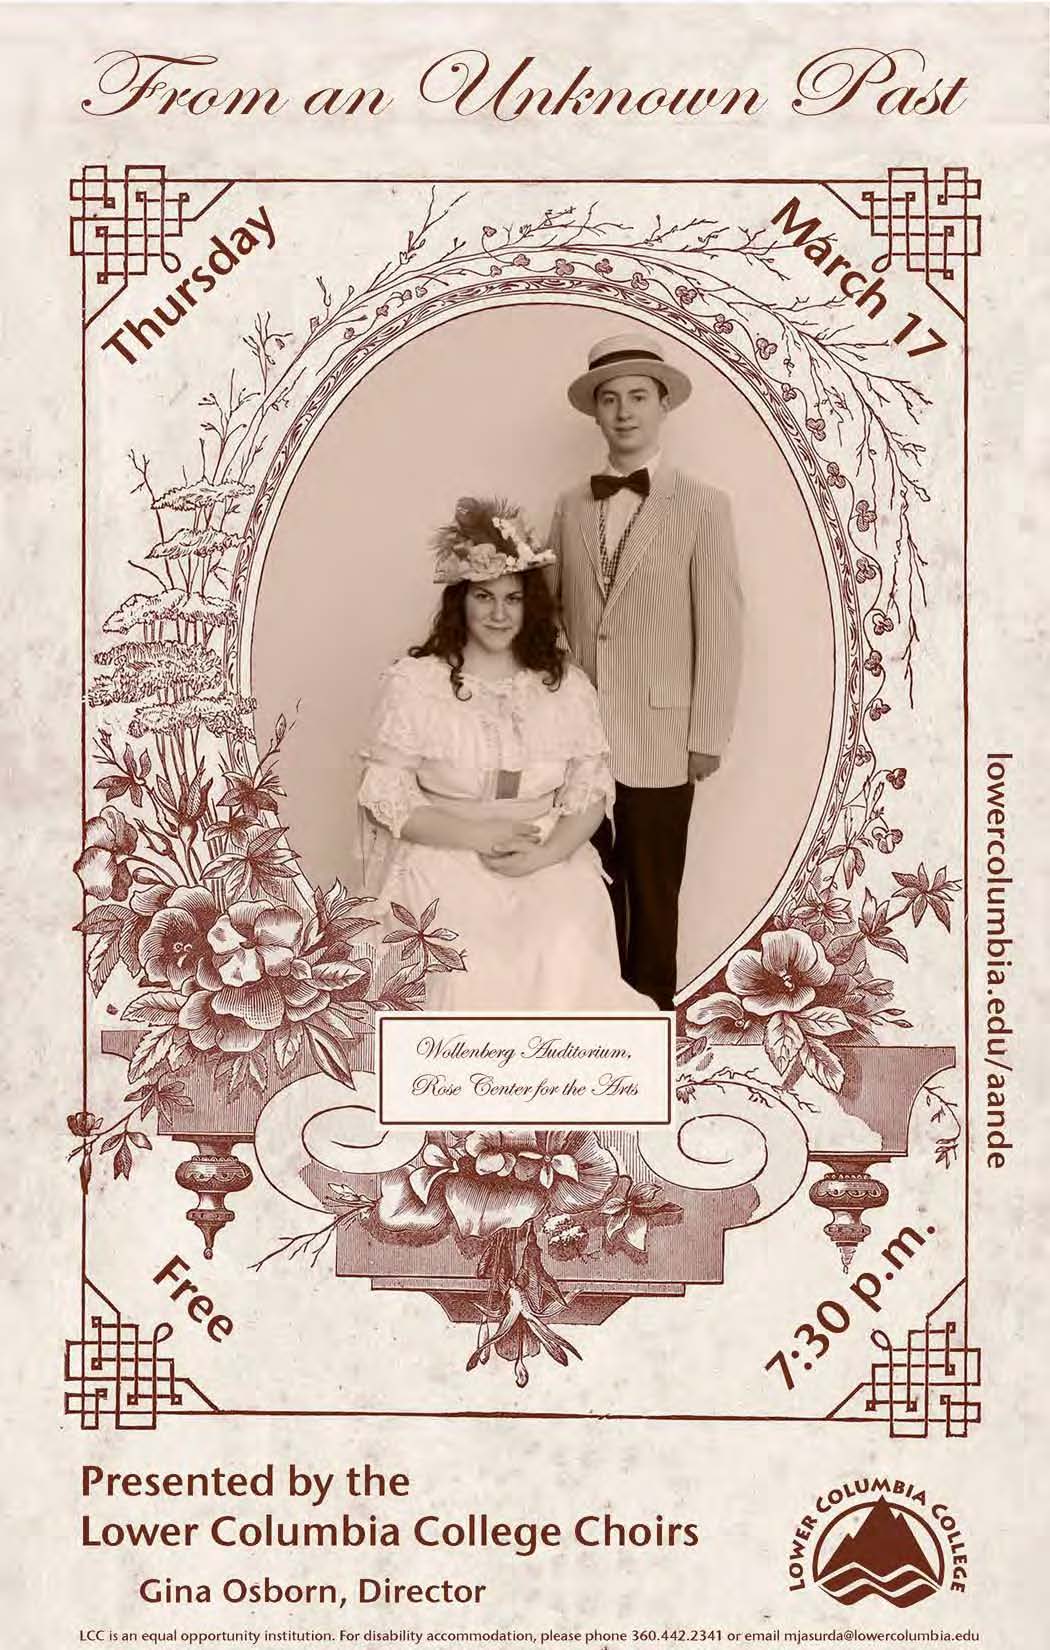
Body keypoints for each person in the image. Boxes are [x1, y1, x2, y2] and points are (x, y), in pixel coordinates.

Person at [357, 497, 653, 1011]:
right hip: (445, 854)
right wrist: (478, 836)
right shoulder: (416, 683)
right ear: (460, 601)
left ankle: (557, 1077)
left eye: (512, 599)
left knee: (561, 946)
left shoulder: (565, 685)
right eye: (484, 597)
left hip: (546, 852)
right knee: (471, 959)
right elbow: (387, 794)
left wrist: (547, 852)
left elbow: (590, 789)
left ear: (529, 604)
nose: (499, 613)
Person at [549, 331, 743, 1010]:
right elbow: (555, 617)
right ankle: (593, 1015)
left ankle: (651, 1019)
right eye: (610, 399)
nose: (624, 411)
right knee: (585, 882)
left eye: (638, 397)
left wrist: (708, 731)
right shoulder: (571, 506)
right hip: (576, 736)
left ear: (662, 406)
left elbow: (721, 626)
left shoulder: (704, 507)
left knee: (655, 890)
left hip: (664, 733)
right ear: (595, 414)